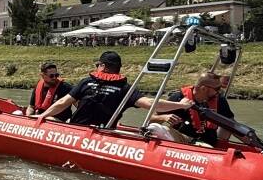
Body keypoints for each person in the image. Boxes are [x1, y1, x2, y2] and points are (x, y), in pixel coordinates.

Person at [37, 51, 190, 128]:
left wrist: (42, 116)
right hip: (104, 133)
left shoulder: (86, 82)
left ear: (102, 66)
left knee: (50, 119)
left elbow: (63, 103)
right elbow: (152, 103)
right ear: (118, 69)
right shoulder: (124, 89)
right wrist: (182, 105)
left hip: (78, 130)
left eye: (98, 65)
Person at [140, 72, 236, 146]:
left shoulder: (220, 100)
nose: (218, 92)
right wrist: (164, 118)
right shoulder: (178, 97)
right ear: (204, 89)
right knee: (158, 128)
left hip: (207, 144)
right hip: (182, 140)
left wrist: (249, 140)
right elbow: (151, 118)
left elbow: (232, 125)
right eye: (217, 89)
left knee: (228, 125)